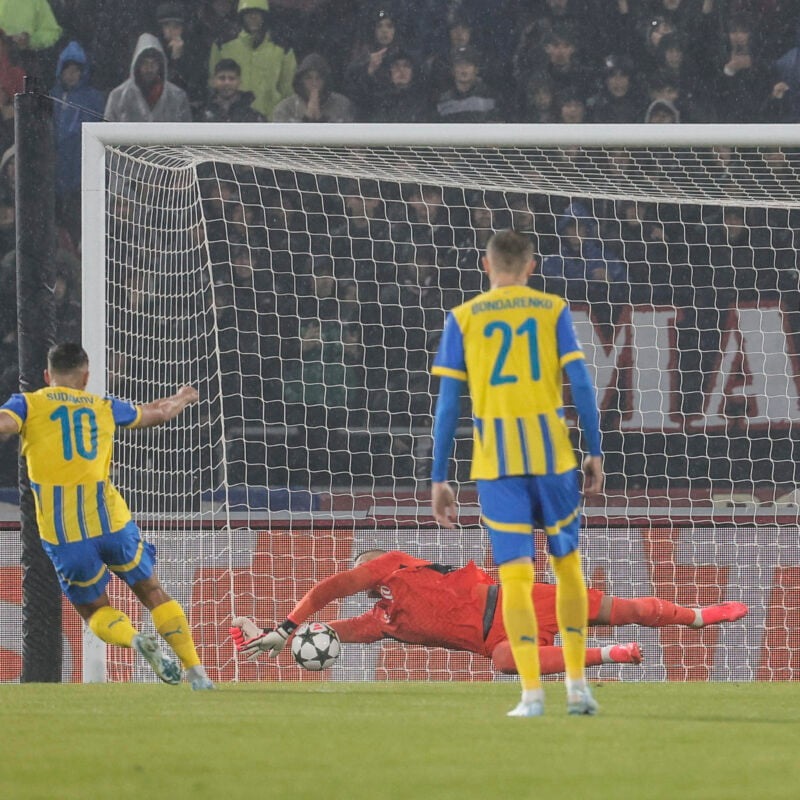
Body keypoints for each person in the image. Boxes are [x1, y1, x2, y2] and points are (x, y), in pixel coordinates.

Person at [430, 229, 603, 717]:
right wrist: (594, 450)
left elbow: (447, 407)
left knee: (517, 578)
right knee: (567, 567)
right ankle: (576, 686)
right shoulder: (552, 309)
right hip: (553, 457)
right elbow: (583, 384)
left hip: (497, 466)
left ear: (486, 266)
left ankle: (531, 694)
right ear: (532, 266)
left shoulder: (462, 318)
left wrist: (440, 476)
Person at [0, 342, 214, 690]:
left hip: (65, 532)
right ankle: (196, 672)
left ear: (45, 376)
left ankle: (133, 640)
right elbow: (157, 412)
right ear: (86, 377)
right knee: (152, 591)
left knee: (94, 610)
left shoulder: (29, 403)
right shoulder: (103, 406)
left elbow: (4, 423)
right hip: (111, 521)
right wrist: (184, 397)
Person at [230, 549, 748, 676]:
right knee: (504, 663)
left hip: (517, 599)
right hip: (500, 638)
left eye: (365, 579)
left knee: (623, 607)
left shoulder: (397, 565)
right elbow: (331, 630)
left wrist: (287, 624)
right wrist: (280, 638)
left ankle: (700, 617)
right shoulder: (384, 622)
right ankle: (609, 655)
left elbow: (328, 590)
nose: (365, 588)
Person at [208, 0, 296, 120]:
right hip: (232, 120)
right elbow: (214, 82)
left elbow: (288, 89)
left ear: (265, 17)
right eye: (249, 13)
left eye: (257, 13)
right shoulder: (223, 45)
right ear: (241, 17)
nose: (253, 17)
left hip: (271, 121)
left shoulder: (282, 49)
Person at [104, 33, 192, 122]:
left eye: (153, 63)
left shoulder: (177, 97)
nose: (149, 69)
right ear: (137, 65)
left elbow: (187, 133)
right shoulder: (118, 97)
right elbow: (106, 131)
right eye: (145, 63)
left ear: (160, 66)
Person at [271, 53, 354, 123]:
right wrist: (306, 119)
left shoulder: (342, 105)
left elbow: (346, 137)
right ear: (301, 81)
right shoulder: (285, 108)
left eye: (319, 78)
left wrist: (321, 120)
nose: (314, 83)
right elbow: (283, 139)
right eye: (308, 78)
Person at [196, 58, 266, 122]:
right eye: (222, 78)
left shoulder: (253, 116)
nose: (227, 82)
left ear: (239, 82)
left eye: (231, 78)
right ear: (214, 81)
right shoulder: (201, 113)